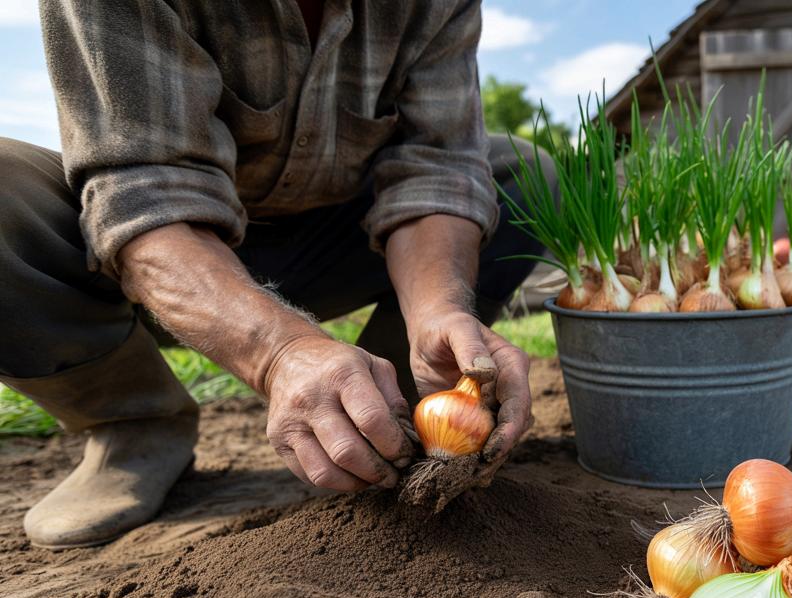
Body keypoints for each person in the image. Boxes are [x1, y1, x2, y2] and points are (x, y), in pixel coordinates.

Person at [0, 0, 547, 549]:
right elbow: (145, 197)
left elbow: (439, 170)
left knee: (526, 172)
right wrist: (281, 352)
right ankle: (131, 428)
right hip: (161, 260)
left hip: (337, 241)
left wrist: (436, 310)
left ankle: (389, 412)